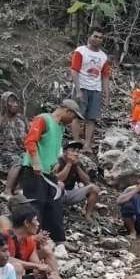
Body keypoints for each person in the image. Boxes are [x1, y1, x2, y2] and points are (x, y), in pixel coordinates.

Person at [4, 205, 100, 279]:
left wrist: (41, 271)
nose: (38, 224)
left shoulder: (28, 240)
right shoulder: (6, 237)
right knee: (17, 268)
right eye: (35, 220)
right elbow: (7, 260)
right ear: (26, 223)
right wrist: (36, 266)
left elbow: (36, 263)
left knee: (53, 277)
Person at [20, 99, 83, 244]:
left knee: (54, 204)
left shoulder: (60, 127)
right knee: (36, 204)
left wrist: (55, 161)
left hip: (48, 172)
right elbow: (30, 140)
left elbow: (53, 147)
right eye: (73, 116)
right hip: (34, 170)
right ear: (67, 111)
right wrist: (35, 161)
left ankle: (57, 238)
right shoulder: (43, 119)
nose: (72, 120)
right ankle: (33, 240)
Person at [68, 30, 111, 153]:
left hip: (95, 89)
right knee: (76, 116)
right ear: (89, 36)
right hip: (82, 86)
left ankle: (87, 145)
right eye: (95, 36)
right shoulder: (80, 51)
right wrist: (78, 90)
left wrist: (106, 95)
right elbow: (74, 70)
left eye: (100, 37)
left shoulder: (103, 57)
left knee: (91, 118)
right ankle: (76, 142)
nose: (97, 39)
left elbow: (105, 77)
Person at [53, 141, 99, 219]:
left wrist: (76, 166)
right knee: (60, 184)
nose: (76, 153)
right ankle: (55, 212)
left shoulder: (78, 163)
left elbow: (87, 181)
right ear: (64, 152)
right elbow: (58, 178)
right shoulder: (58, 161)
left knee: (94, 188)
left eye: (77, 151)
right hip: (56, 194)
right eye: (73, 150)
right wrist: (69, 163)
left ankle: (88, 215)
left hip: (71, 193)